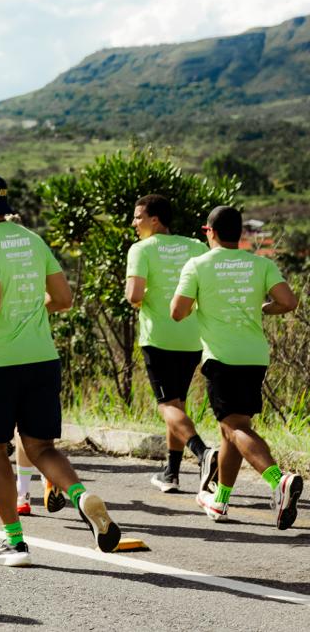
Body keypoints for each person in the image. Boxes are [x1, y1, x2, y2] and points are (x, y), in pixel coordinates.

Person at [0, 172, 121, 566]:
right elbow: (64, 298)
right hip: (41, 359)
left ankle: (15, 543)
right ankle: (81, 495)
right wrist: (30, 310)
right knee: (40, 448)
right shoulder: (32, 239)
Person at [171, 205, 302, 529]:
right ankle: (221, 500)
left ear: (209, 232)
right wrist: (261, 308)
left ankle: (278, 481)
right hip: (254, 356)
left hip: (222, 357)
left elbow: (177, 311)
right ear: (241, 233)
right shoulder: (261, 263)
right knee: (231, 428)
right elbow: (288, 301)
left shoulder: (197, 265)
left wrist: (199, 302)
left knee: (235, 428)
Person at [124, 194, 216, 495]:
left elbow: (134, 295)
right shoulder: (195, 246)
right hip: (192, 337)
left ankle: (203, 453)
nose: (134, 223)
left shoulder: (141, 249)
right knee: (178, 404)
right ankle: (171, 473)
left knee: (166, 407)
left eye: (139, 217)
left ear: (155, 220)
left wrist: (144, 296)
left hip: (159, 337)